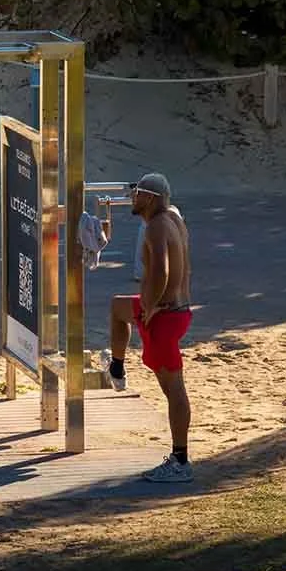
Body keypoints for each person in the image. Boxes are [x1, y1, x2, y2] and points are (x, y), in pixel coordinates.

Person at [106, 172, 193, 483]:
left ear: (151, 198)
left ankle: (180, 462)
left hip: (163, 316)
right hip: (174, 311)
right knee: (117, 307)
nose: (133, 198)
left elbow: (161, 269)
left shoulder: (156, 225)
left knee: (173, 390)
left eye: (137, 193)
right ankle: (116, 368)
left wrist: (150, 305)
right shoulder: (172, 216)